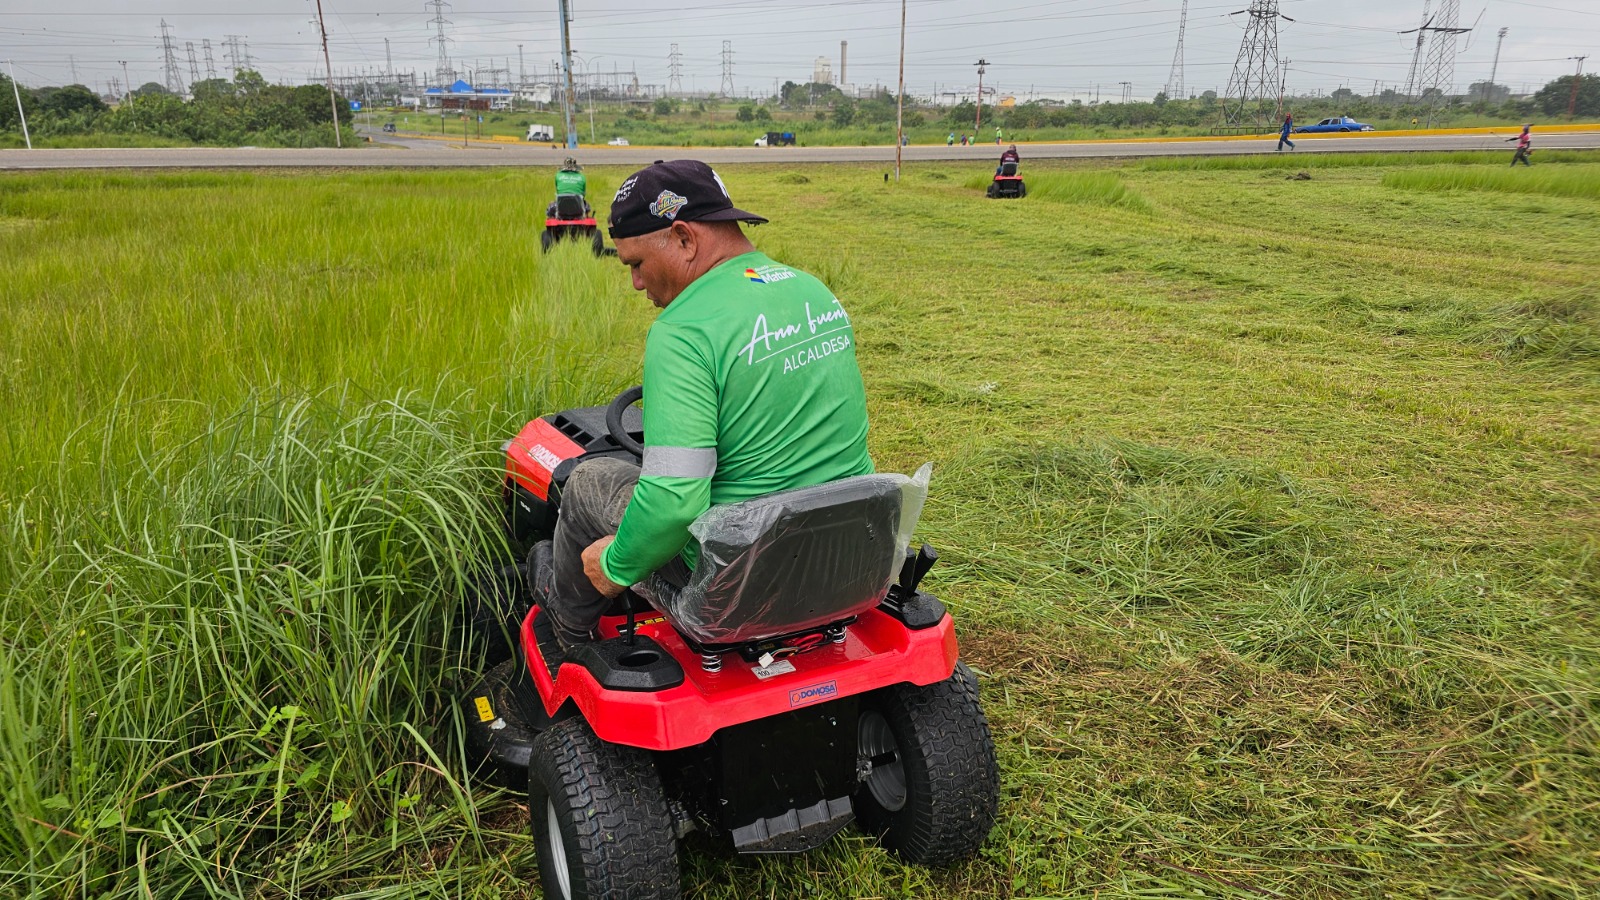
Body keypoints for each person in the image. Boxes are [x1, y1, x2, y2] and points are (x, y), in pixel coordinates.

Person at [543, 159, 874, 648]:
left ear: (684, 238)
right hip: (848, 547)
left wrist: (613, 566)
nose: (636, 283)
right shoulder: (812, 290)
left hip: (738, 573)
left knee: (588, 481)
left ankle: (568, 632)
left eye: (635, 263)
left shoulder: (684, 330)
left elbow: (675, 501)